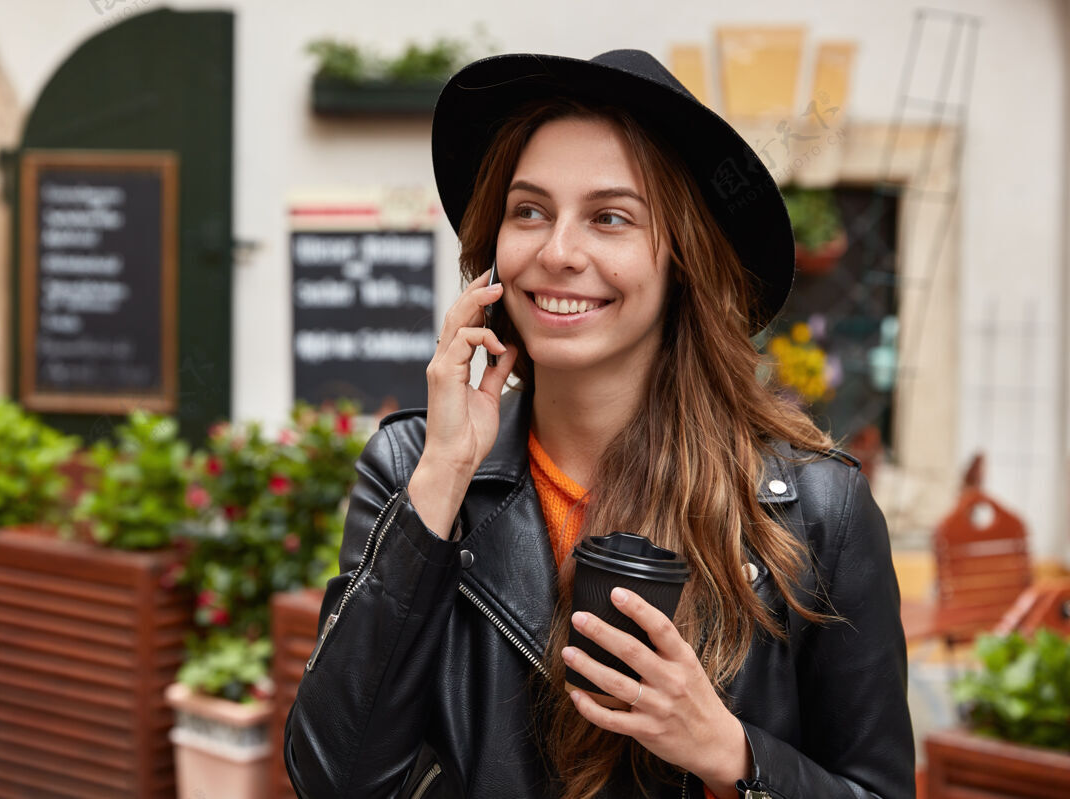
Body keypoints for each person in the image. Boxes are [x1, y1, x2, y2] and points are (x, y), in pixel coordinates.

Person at [284, 50, 914, 799]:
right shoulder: (415, 465)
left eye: (609, 217)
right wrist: (441, 483)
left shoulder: (817, 511)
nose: (557, 253)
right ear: (494, 253)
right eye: (529, 211)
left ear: (683, 257)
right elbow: (335, 778)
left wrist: (732, 754)